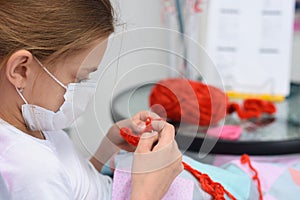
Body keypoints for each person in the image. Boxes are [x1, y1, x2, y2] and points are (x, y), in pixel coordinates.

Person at [0, 1, 183, 199]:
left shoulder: (30, 118)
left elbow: (74, 187)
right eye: (77, 78)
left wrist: (108, 148)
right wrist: (148, 191)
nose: (81, 88)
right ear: (21, 70)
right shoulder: (31, 172)